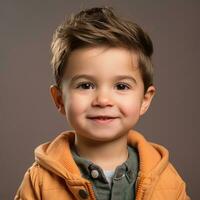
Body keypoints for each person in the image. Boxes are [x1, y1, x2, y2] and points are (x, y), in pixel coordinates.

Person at [15, 6, 190, 200]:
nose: (103, 100)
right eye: (86, 85)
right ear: (59, 99)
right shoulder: (39, 180)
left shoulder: (167, 180)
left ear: (145, 100)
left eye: (121, 86)